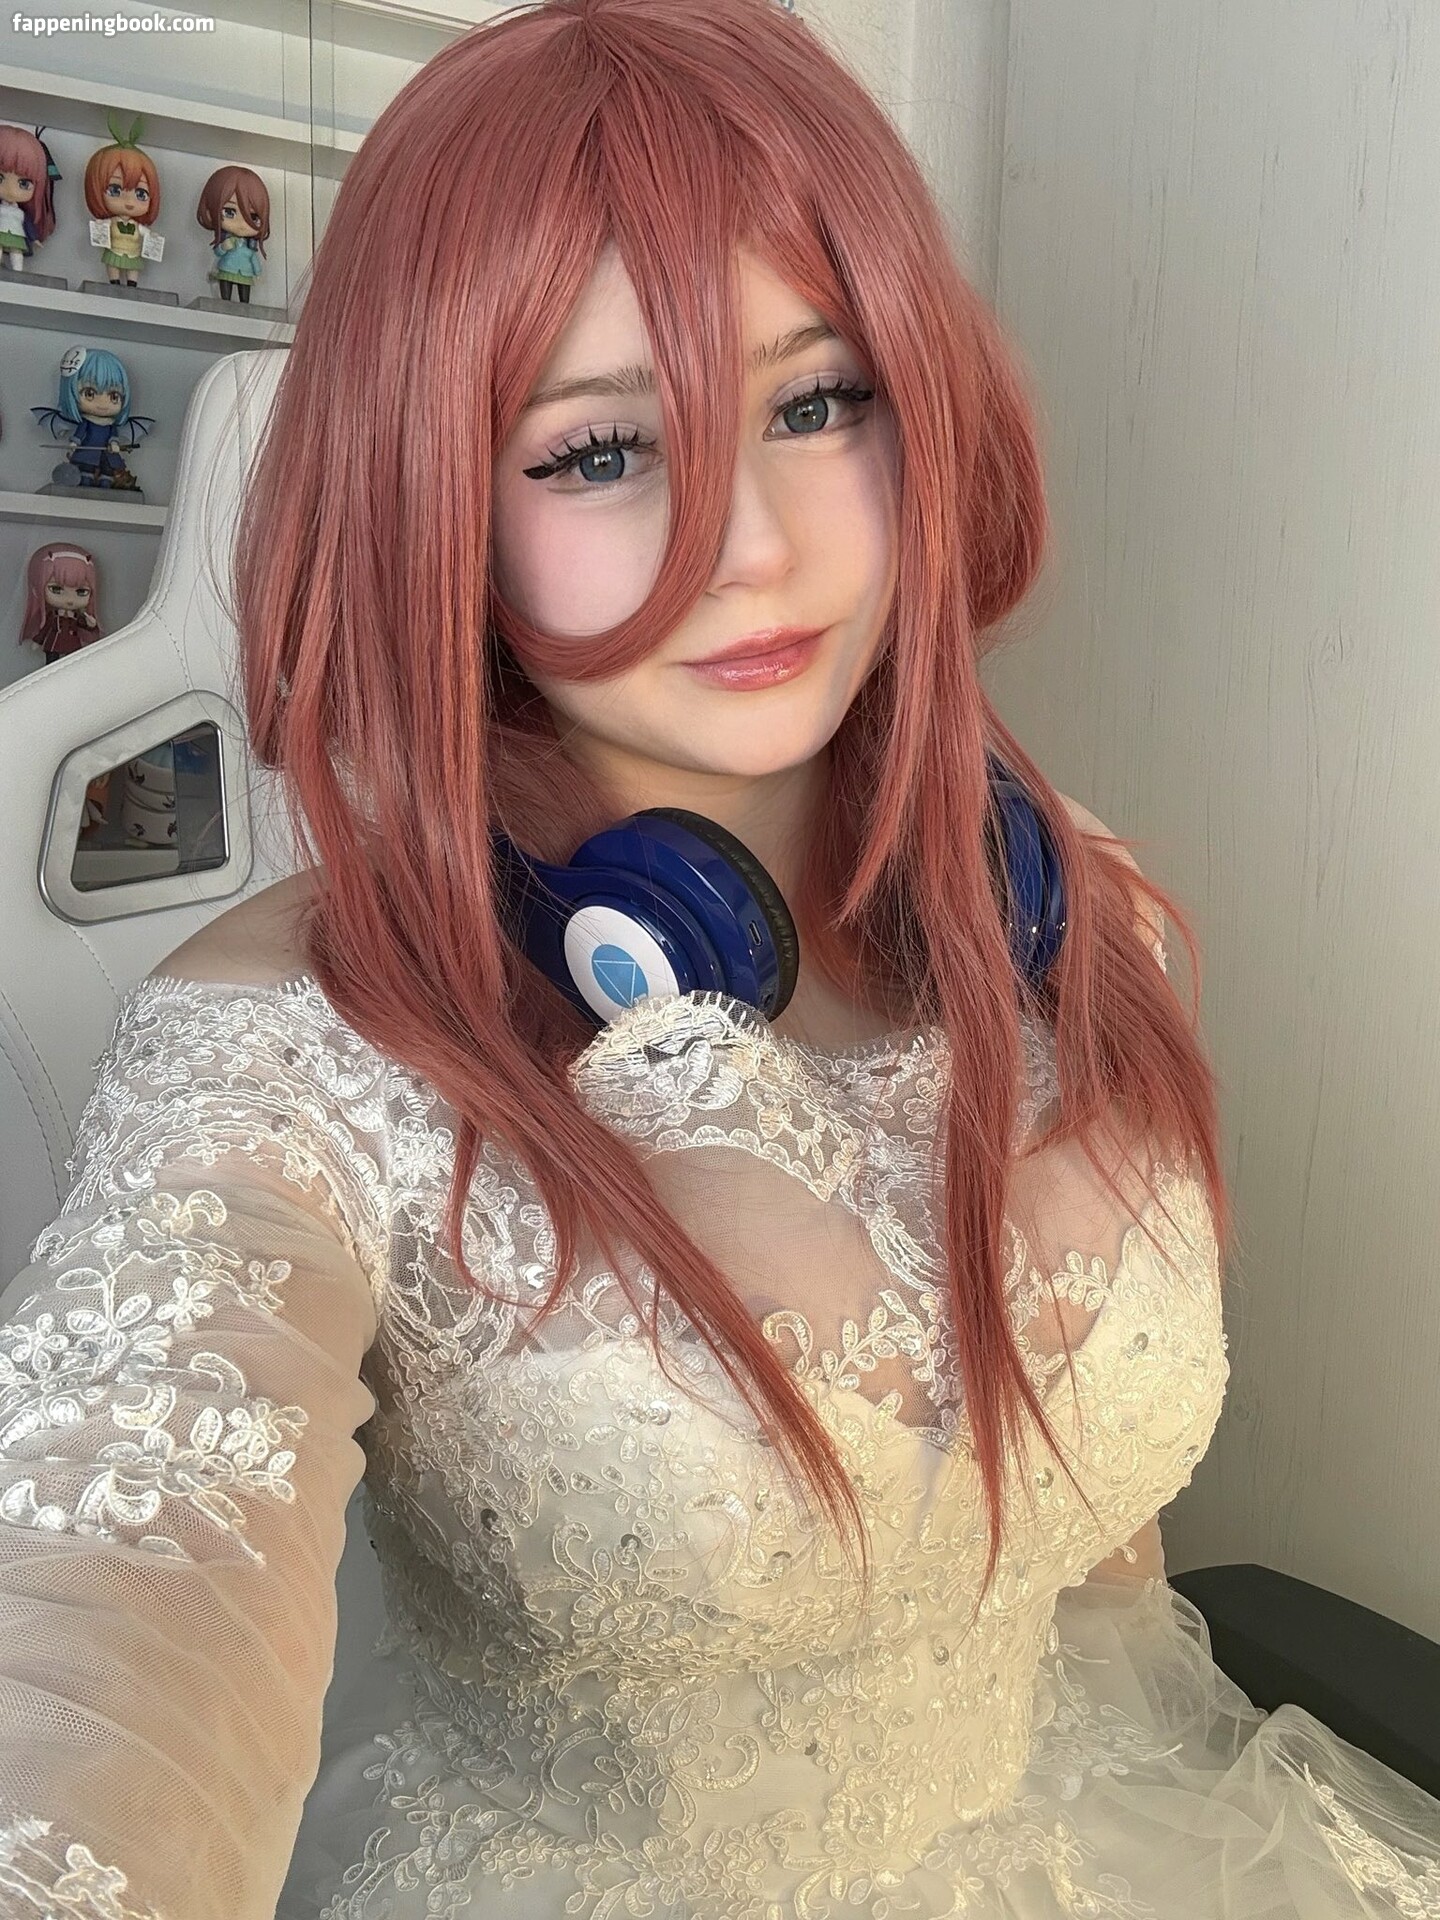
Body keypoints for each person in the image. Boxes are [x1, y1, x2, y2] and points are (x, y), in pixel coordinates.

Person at [1, 2, 1437, 1915]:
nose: (745, 543)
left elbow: (1100, 1570)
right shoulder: (282, 1050)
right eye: (600, 449)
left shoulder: (1072, 907)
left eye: (818, 402)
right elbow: (102, 1654)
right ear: (437, 503)